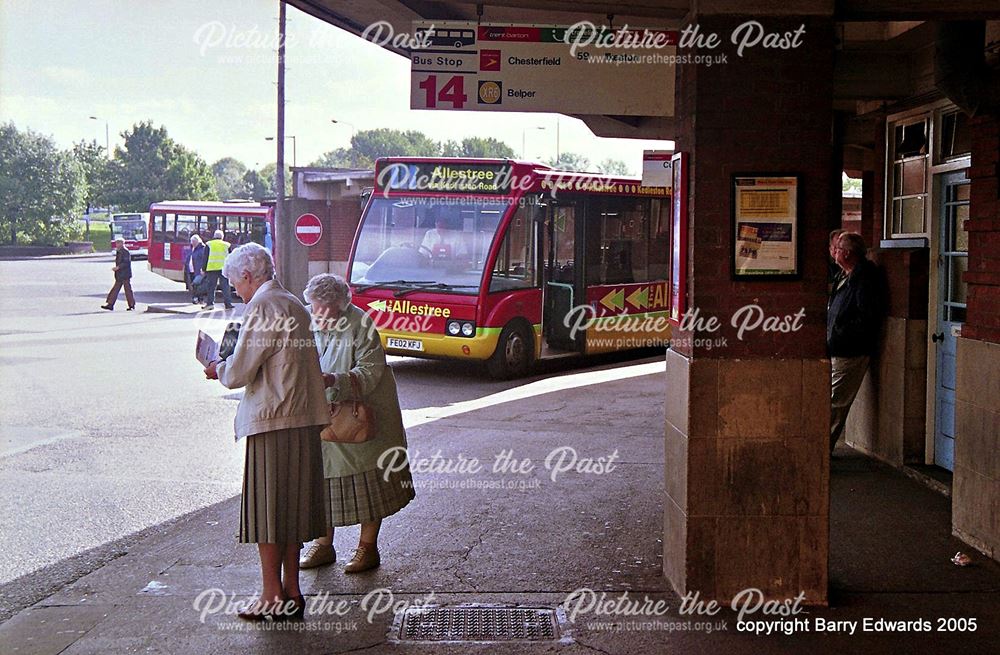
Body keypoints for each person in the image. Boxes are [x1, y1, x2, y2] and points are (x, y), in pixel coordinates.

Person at [203, 243, 329, 621]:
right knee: (290, 510)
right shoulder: (292, 303)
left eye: (234, 283)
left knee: (268, 512)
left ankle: (271, 595)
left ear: (247, 276)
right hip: (303, 418)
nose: (234, 291)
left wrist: (216, 366)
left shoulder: (262, 306)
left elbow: (239, 371)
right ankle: (291, 590)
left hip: (274, 420)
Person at [299, 274, 415, 573]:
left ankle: (367, 549)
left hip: (362, 417)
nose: (317, 314)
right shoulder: (311, 322)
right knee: (322, 483)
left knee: (368, 485)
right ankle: (323, 545)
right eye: (314, 307)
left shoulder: (360, 324)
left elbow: (372, 369)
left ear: (341, 305)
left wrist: (334, 380)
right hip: (325, 416)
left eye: (323, 308)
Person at [828, 232, 885, 452]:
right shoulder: (844, 275)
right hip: (838, 346)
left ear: (848, 253)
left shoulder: (864, 278)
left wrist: (842, 333)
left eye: (838, 248)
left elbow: (866, 316)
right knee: (832, 400)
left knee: (836, 401)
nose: (834, 252)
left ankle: (821, 450)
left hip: (850, 349)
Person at [203, 229, 235, 310]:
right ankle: (228, 304)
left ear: (214, 236)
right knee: (225, 287)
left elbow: (205, 257)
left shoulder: (209, 244)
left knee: (211, 287)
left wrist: (203, 269)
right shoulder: (227, 245)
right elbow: (230, 257)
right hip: (223, 269)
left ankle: (210, 304)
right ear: (222, 237)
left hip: (212, 268)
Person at [101, 238, 135, 311]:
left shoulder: (125, 251)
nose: (116, 245)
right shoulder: (119, 251)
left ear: (122, 243)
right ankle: (110, 304)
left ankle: (131, 305)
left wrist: (118, 267)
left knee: (128, 290)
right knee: (115, 289)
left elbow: (126, 263)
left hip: (125, 274)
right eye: (116, 243)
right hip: (120, 274)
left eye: (118, 243)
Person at [184, 235, 208, 304]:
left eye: (194, 242)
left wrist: (203, 269)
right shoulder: (192, 248)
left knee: (196, 284)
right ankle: (198, 299)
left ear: (198, 241)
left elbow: (204, 260)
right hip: (191, 270)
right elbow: (189, 257)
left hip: (199, 270)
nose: (192, 243)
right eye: (192, 242)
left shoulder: (202, 249)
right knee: (194, 285)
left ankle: (197, 298)